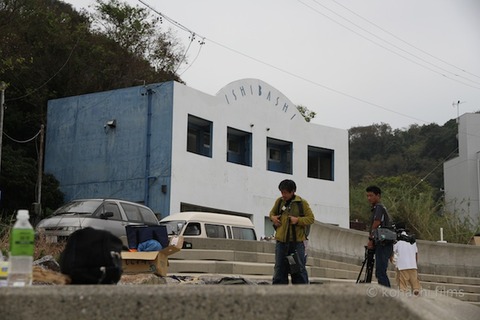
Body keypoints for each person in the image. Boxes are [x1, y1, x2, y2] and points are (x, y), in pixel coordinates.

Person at [269, 179, 314, 284]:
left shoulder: (301, 203)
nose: (283, 195)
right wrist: (273, 218)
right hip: (281, 243)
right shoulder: (279, 202)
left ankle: (300, 295)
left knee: (297, 271)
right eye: (281, 192)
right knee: (280, 270)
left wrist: (297, 220)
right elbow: (272, 213)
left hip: (295, 244)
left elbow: (311, 219)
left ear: (292, 191)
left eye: (285, 192)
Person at [366, 185, 393, 287]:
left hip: (383, 244)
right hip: (384, 243)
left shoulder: (378, 207)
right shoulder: (379, 208)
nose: (369, 198)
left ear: (378, 196)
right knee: (380, 272)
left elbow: (376, 223)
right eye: (367, 196)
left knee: (380, 272)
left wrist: (370, 239)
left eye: (371, 195)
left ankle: (387, 295)